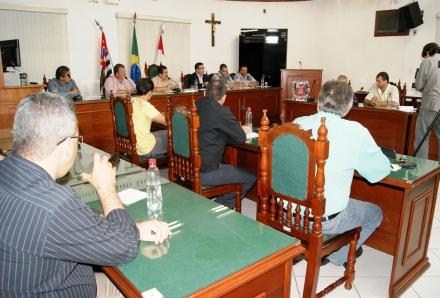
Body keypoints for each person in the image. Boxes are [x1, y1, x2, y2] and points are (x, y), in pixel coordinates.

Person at [0, 92, 170, 297]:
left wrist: (133, 228)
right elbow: (125, 248)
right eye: (77, 140)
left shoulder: (7, 171)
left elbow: (71, 223)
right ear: (64, 144)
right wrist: (107, 188)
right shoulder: (54, 205)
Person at [293, 80, 390, 266]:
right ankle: (336, 256)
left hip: (291, 211)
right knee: (375, 213)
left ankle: (320, 246)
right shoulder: (356, 131)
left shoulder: (297, 123)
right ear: (348, 107)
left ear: (318, 103)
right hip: (323, 220)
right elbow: (379, 171)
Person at [196, 80, 257, 209]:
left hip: (191, 167)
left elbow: (211, 129)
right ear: (224, 97)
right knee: (251, 177)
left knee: (230, 169)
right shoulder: (221, 111)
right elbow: (240, 138)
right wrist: (238, 129)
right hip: (208, 172)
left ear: (205, 93)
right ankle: (221, 207)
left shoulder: (197, 104)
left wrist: (232, 129)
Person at [415, 42, 440, 182]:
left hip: (430, 106)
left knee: (422, 138)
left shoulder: (428, 61)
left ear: (428, 52)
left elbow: (419, 84)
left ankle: (421, 173)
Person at [132, 78, 168, 161]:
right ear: (149, 92)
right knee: (171, 134)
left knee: (161, 133)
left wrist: (159, 115)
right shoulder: (145, 105)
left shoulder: (131, 101)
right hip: (144, 148)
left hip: (133, 144)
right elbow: (166, 121)